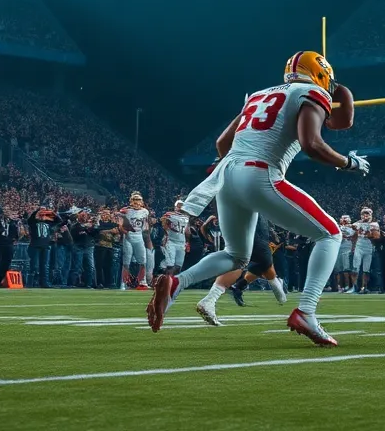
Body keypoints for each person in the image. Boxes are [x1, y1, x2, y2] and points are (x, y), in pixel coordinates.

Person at [147, 51, 365, 347]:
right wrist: (348, 163)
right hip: (260, 171)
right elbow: (313, 144)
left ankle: (176, 283)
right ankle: (306, 311)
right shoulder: (311, 91)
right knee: (331, 234)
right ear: (320, 74)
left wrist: (238, 179)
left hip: (226, 174)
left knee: (237, 255)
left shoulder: (259, 95)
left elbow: (222, 143)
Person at [196, 215, 287, 325]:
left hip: (245, 223)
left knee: (257, 261)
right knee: (258, 260)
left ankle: (211, 299)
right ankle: (210, 299)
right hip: (250, 223)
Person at [120, 192, 151, 290]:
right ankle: (123, 283)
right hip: (128, 236)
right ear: (131, 201)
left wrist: (147, 237)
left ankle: (143, 282)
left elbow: (145, 226)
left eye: (138, 200)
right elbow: (120, 225)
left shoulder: (145, 211)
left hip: (139, 236)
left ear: (142, 202)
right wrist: (126, 232)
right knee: (126, 261)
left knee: (143, 260)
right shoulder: (125, 211)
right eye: (134, 200)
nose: (136, 202)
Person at [161, 201, 189, 274]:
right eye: (178, 206)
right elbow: (163, 223)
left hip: (181, 242)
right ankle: (166, 282)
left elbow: (187, 230)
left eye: (181, 206)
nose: (180, 208)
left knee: (179, 265)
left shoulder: (186, 217)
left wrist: (187, 242)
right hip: (171, 241)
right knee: (170, 265)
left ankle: (174, 281)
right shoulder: (170, 215)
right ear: (175, 207)